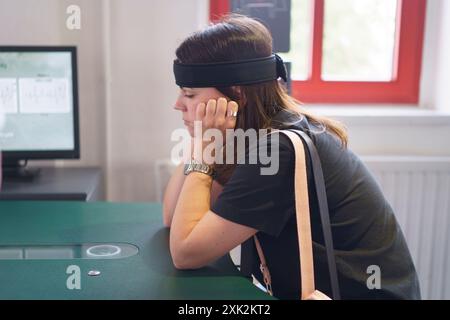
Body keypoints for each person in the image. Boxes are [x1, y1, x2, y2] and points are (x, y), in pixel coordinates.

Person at [163, 14, 421, 300]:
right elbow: (175, 217)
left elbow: (185, 252)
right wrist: (203, 141)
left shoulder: (277, 151)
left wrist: (203, 146)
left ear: (236, 94)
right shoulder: (255, 135)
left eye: (189, 94)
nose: (178, 104)